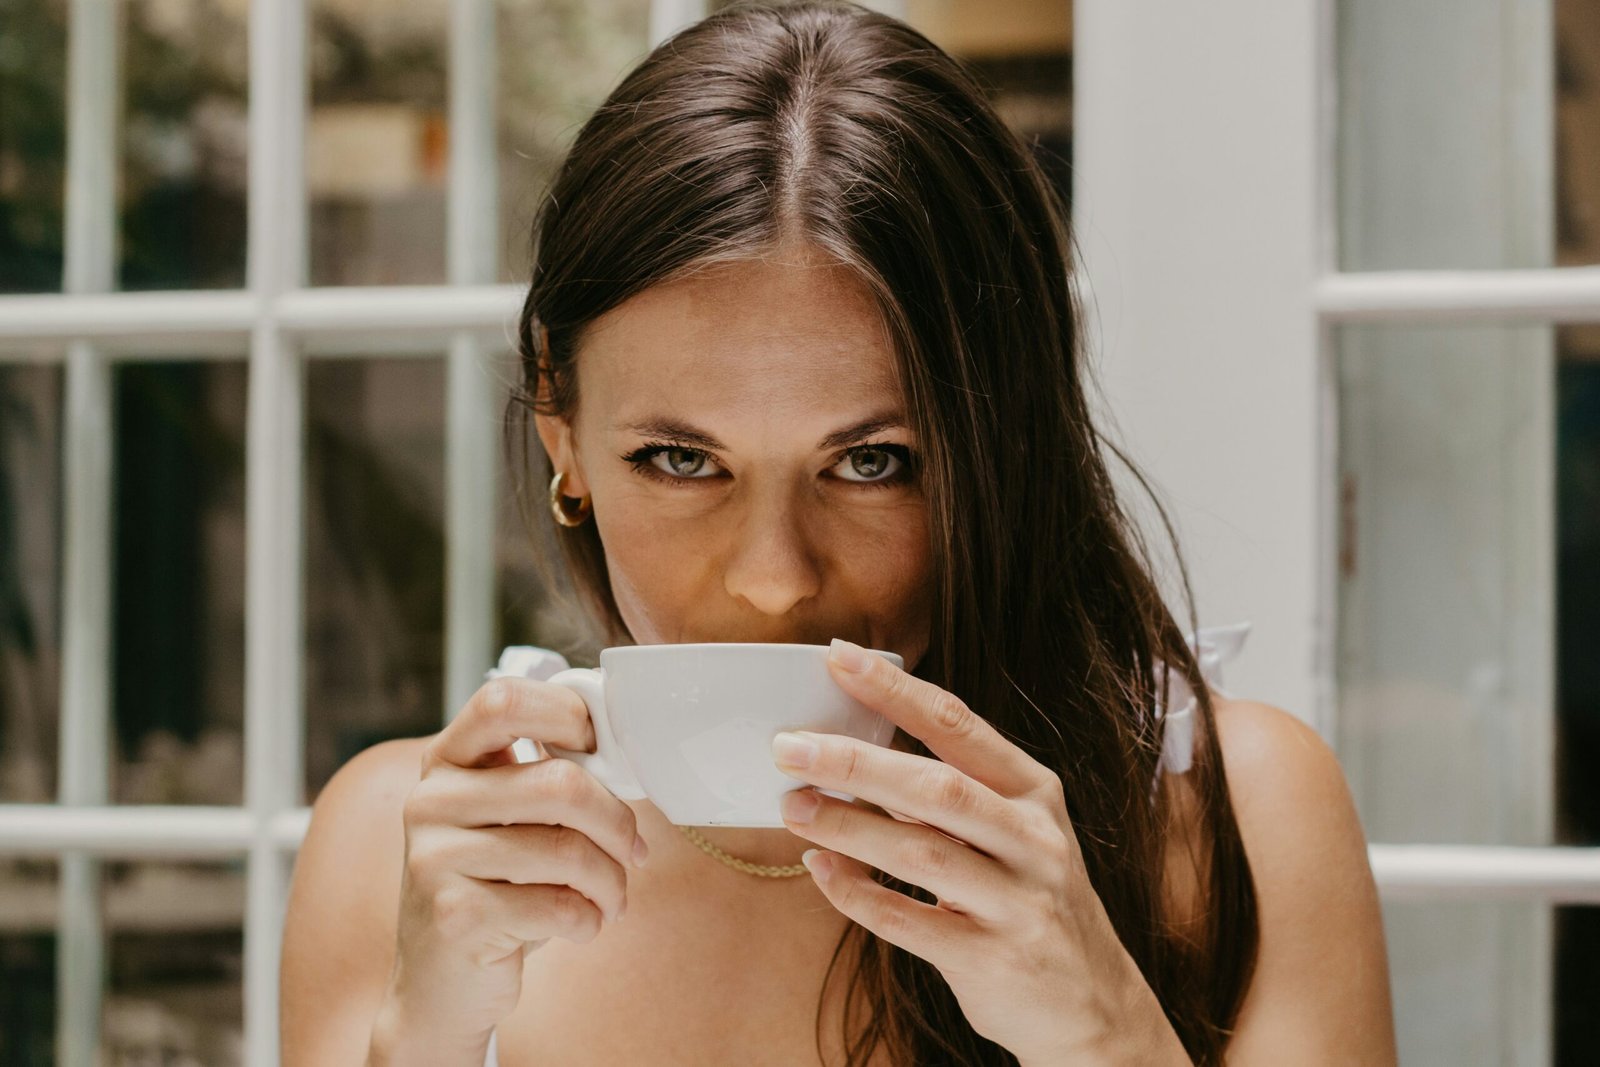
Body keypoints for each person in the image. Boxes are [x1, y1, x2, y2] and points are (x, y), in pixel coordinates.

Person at [279, 2, 1396, 1064]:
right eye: (680, 459)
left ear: (998, 446)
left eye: (872, 463)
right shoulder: (408, 849)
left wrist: (1103, 1032)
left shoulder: (1229, 815)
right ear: (560, 432)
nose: (774, 579)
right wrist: (419, 1037)